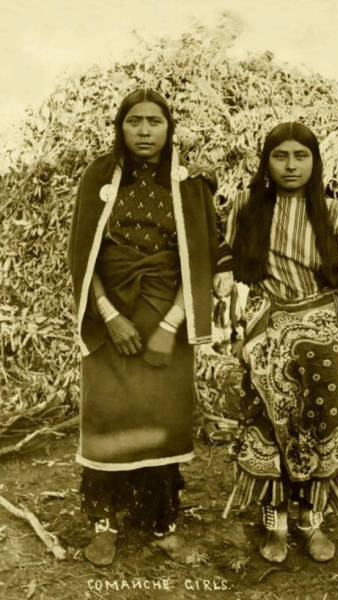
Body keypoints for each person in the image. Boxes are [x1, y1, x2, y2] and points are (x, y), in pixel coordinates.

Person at [68, 88, 233, 566]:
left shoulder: (191, 184)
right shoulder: (98, 177)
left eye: (154, 121)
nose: (144, 131)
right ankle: (104, 524)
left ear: (169, 127)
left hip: (167, 317)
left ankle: (162, 523)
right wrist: (111, 317)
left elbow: (198, 260)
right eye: (134, 121)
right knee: (108, 418)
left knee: (164, 421)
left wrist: (171, 324)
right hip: (110, 319)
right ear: (120, 127)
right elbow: (83, 257)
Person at [223, 122, 338, 563]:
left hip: (323, 336)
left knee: (317, 424)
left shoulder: (332, 213)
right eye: (280, 156)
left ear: (314, 162)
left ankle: (310, 518)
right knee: (267, 424)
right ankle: (276, 521)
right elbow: (204, 233)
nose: (291, 165)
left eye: (301, 156)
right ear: (266, 163)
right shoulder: (245, 206)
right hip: (266, 331)